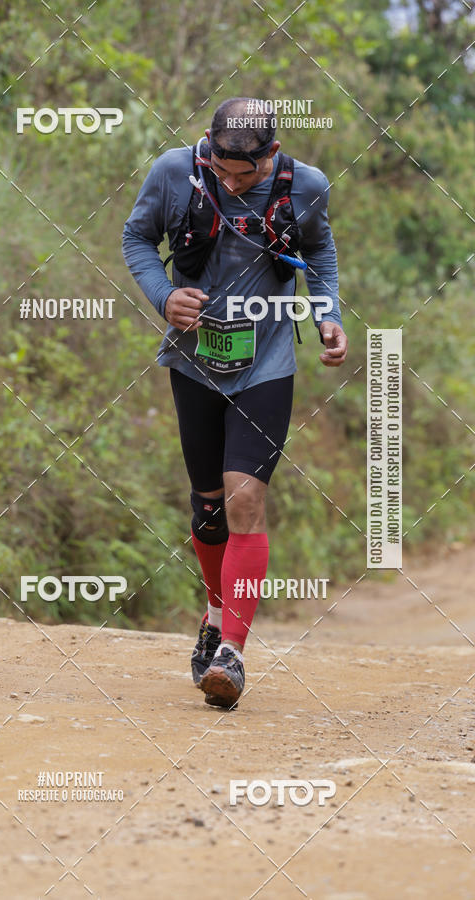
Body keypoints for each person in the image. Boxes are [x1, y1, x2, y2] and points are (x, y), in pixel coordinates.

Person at [122, 97, 347, 709]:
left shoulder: (308, 188)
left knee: (246, 498)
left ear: (271, 156)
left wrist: (326, 315)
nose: (226, 180)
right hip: (194, 361)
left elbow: (319, 254)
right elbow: (137, 238)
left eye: (240, 173)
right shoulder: (175, 171)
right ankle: (219, 608)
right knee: (209, 509)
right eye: (218, 167)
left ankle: (232, 654)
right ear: (207, 144)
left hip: (267, 361)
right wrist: (163, 295)